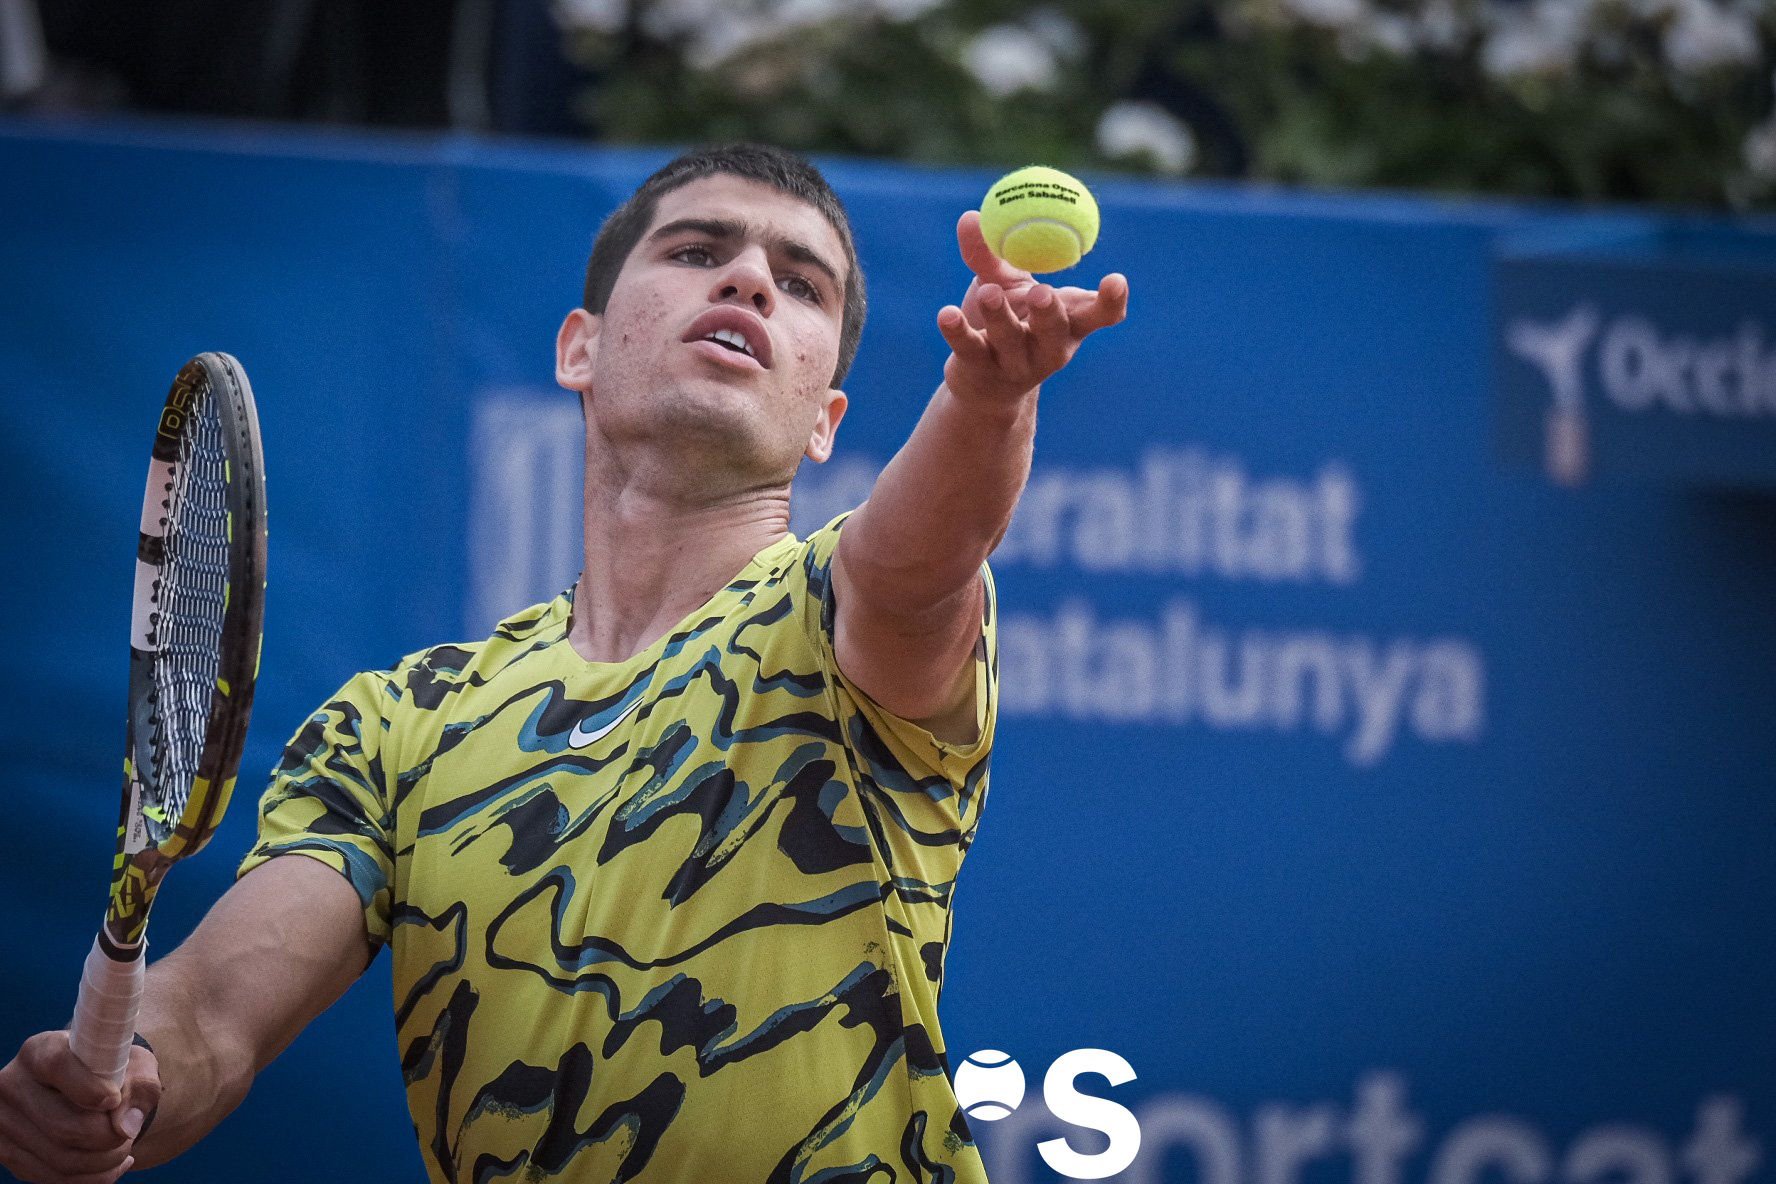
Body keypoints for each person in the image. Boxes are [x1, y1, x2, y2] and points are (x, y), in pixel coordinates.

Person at [0, 142, 1128, 1184]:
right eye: (696, 251)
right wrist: (126, 1078)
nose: (747, 281)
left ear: (825, 417)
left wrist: (989, 397)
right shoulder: (401, 721)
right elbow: (212, 1016)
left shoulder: (834, 614)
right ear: (579, 346)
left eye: (802, 282)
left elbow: (920, 563)